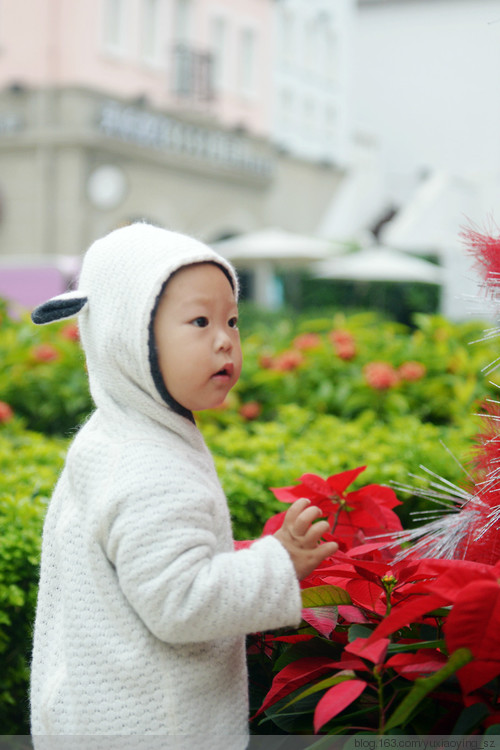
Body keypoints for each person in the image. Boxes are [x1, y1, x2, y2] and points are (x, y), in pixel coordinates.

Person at [29, 222, 337, 747]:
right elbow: (180, 603)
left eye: (232, 319)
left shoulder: (117, 431)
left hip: (97, 711)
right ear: (128, 333)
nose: (225, 339)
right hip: (156, 727)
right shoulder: (148, 467)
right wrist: (277, 562)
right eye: (199, 320)